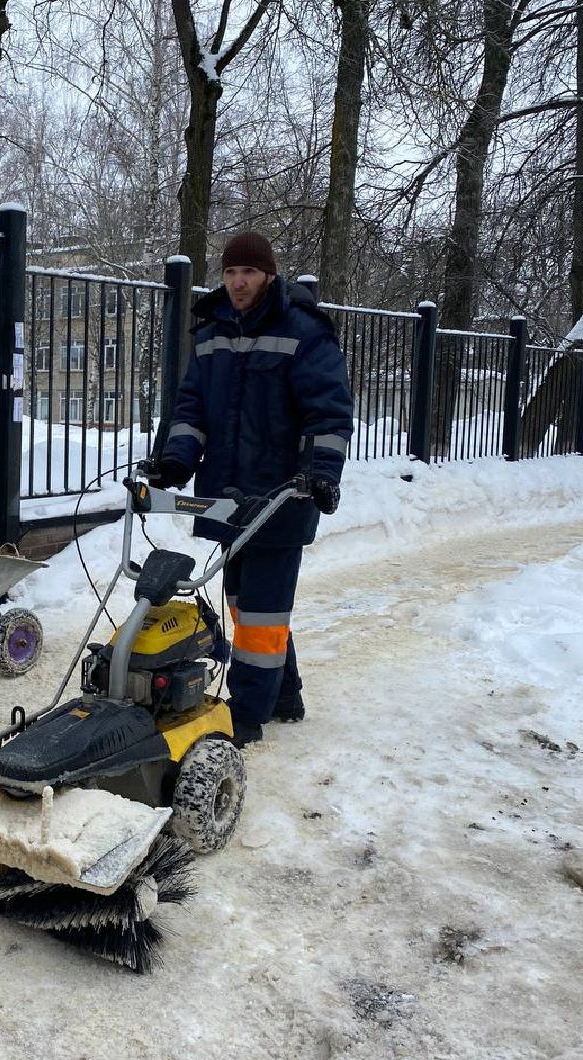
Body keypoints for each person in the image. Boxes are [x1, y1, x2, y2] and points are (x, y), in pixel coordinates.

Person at [151, 232, 354, 747]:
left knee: (262, 610)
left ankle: (245, 715)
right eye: (230, 272)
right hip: (227, 494)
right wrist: (176, 460)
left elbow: (327, 413)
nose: (238, 283)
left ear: (268, 275)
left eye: (249, 272)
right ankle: (284, 693)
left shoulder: (304, 331)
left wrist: (323, 472)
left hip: (284, 494)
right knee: (245, 604)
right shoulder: (212, 331)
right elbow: (191, 406)